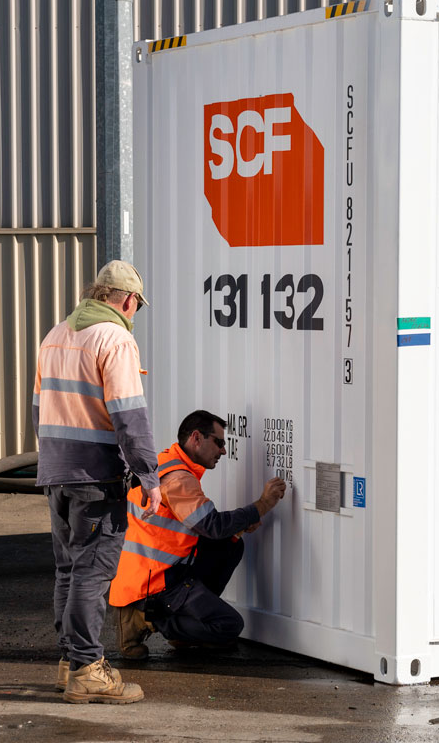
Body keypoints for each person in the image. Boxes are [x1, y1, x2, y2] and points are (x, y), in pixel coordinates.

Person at [33, 260, 160, 705]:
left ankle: (69, 662)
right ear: (128, 300)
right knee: (92, 572)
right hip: (96, 475)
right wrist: (148, 473)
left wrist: (53, 459)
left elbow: (39, 408)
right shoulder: (115, 338)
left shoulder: (55, 334)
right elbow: (129, 414)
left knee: (68, 570)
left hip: (56, 472)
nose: (134, 315)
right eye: (136, 307)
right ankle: (88, 667)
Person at [109, 410, 286, 655]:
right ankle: (146, 619)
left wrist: (239, 526)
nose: (223, 450)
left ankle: (182, 625)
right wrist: (263, 505)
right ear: (196, 438)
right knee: (229, 626)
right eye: (219, 442)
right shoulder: (178, 479)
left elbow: (202, 526)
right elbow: (212, 526)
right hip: (156, 583)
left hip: (151, 573)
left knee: (231, 543)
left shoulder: (166, 463)